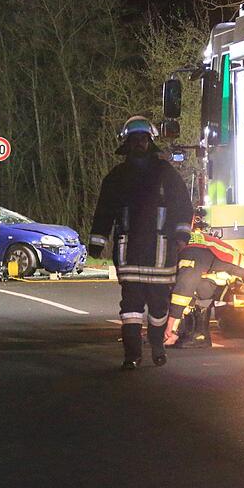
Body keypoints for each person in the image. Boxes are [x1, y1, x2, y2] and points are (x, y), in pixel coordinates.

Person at [88, 116, 193, 370]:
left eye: (142, 139)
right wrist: (96, 242)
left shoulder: (166, 174)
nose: (138, 144)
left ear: (150, 142)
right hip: (130, 252)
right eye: (134, 140)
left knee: (158, 306)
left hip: (160, 253)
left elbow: (182, 206)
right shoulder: (116, 177)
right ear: (127, 143)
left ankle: (157, 346)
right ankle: (132, 354)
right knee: (131, 307)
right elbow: (105, 211)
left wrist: (181, 236)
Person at [167, 227, 244, 348]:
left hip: (239, 281)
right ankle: (188, 333)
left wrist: (170, 328)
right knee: (193, 284)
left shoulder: (190, 251)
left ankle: (200, 336)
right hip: (232, 274)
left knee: (195, 288)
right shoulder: (192, 242)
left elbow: (184, 287)